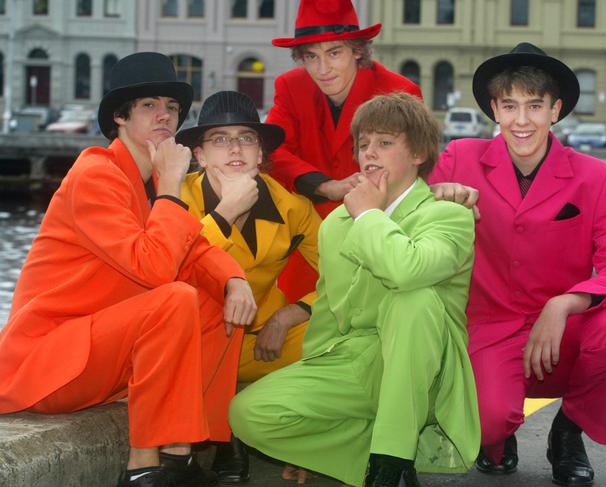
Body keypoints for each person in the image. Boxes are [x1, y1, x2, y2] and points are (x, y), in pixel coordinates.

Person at [0, 52, 257, 487]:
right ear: (120, 117)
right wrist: (174, 186)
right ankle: (143, 470)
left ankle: (181, 455)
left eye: (172, 107)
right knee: (175, 298)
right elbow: (156, 267)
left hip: (101, 353)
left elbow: (191, 251)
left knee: (216, 301)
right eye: (149, 106)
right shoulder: (96, 174)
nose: (165, 116)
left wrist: (234, 279)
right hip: (50, 362)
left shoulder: (148, 182)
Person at [228, 92, 480, 487]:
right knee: (248, 414)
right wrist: (309, 431)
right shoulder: (337, 224)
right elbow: (329, 313)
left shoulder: (449, 214)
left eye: (385, 142)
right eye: (363, 144)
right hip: (353, 361)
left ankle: (390, 467)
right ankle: (377, 450)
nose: (370, 153)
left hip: (425, 369)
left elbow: (406, 270)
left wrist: (369, 215)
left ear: (417, 153)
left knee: (412, 298)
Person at [429, 42, 606, 486]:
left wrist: (565, 303)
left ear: (556, 109)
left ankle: (568, 430)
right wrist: (435, 199)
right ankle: (498, 435)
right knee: (487, 425)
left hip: (562, 330)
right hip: (489, 327)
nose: (522, 120)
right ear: (494, 108)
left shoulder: (595, 177)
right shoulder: (458, 160)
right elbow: (411, 220)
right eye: (509, 106)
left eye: (534, 106)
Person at [176, 90, 321, 483]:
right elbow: (171, 269)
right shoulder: (178, 199)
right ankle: (227, 435)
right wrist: (225, 215)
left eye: (246, 137)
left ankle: (312, 435)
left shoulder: (291, 207)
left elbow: (343, 275)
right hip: (197, 345)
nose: (234, 147)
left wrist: (290, 315)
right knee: (192, 303)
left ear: (260, 153)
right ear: (200, 155)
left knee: (339, 334)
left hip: (262, 339)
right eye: (219, 139)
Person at [267, 0, 423, 303]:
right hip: (307, 244)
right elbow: (272, 150)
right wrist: (325, 185)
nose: (322, 69)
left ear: (358, 50)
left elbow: (416, 165)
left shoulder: (399, 91)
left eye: (334, 53)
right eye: (311, 57)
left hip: (376, 237)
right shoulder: (290, 85)